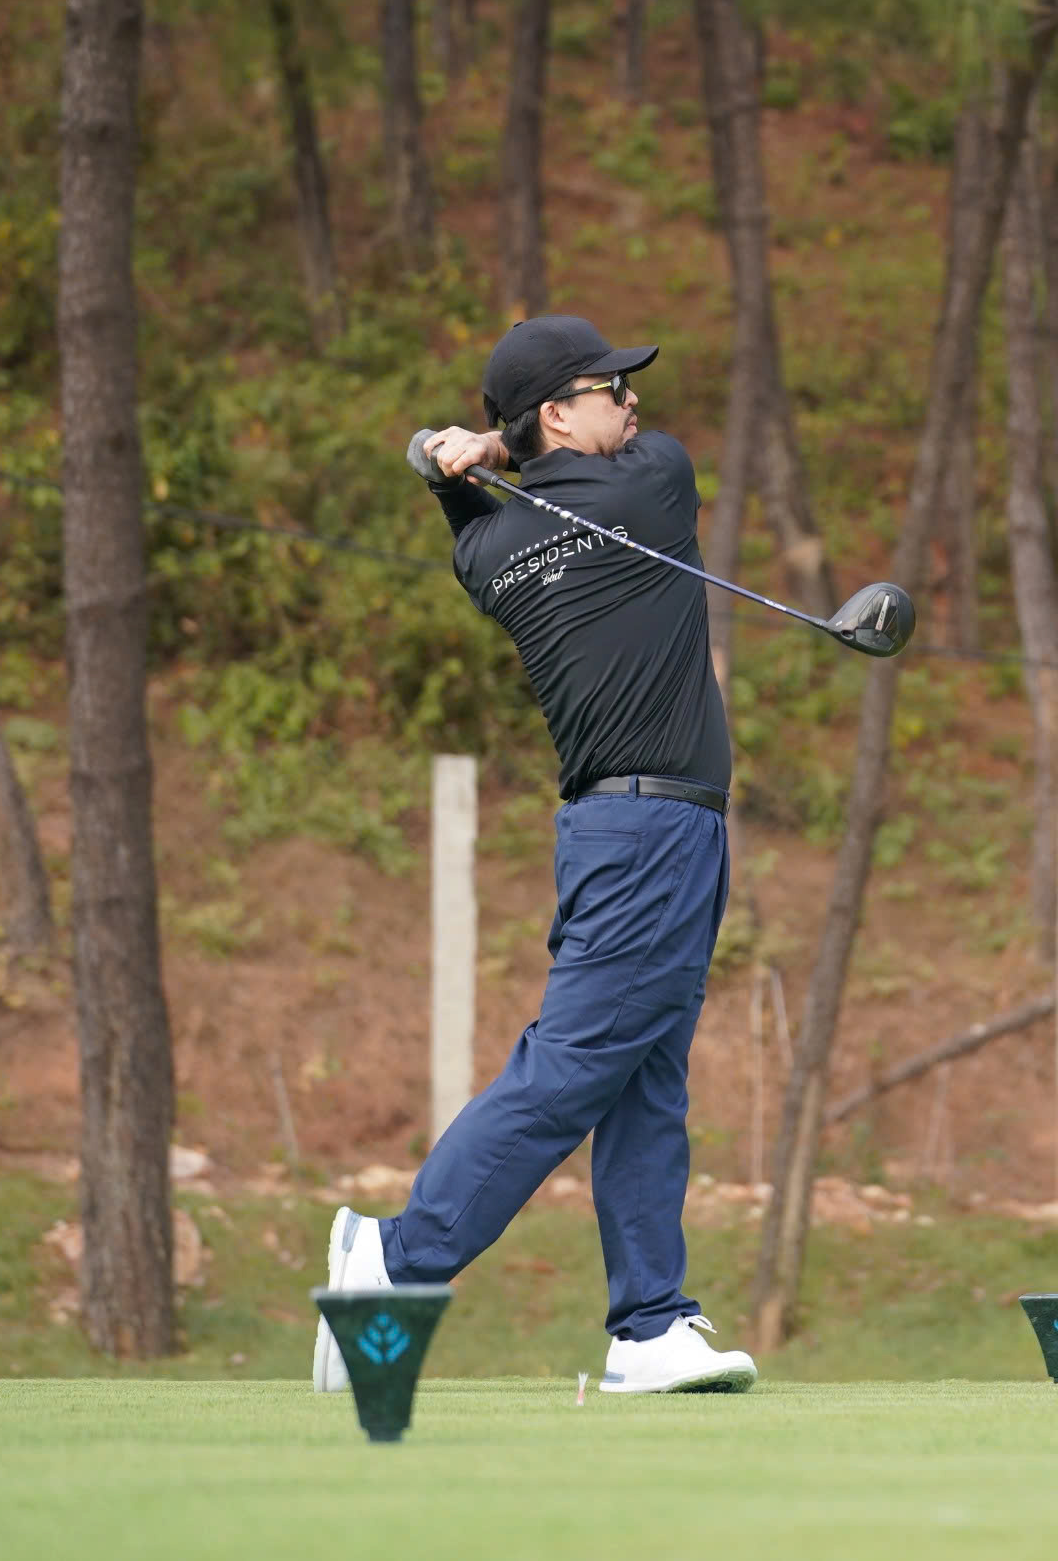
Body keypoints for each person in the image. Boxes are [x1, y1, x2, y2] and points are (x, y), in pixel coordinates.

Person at [313, 314, 756, 1395]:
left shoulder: (488, 548)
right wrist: (486, 448)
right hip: (652, 834)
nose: (634, 402)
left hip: (630, 830)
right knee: (572, 1069)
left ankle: (650, 1325)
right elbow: (601, 454)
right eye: (611, 387)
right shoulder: (649, 487)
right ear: (558, 412)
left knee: (645, 1079)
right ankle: (396, 1259)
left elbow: (452, 478)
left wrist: (465, 453)